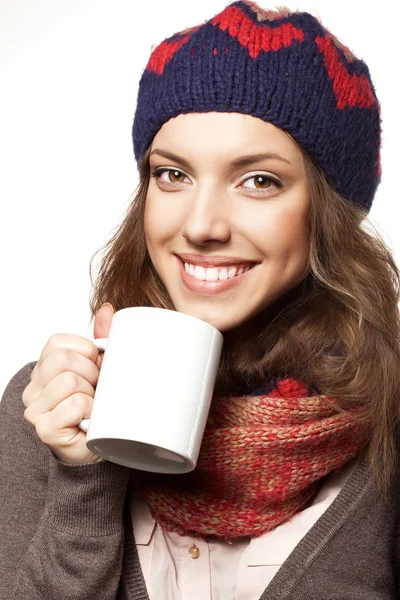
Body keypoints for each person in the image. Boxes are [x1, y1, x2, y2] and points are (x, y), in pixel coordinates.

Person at [1, 1, 400, 598]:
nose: (202, 224)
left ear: (329, 212)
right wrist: (83, 475)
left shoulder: (388, 419)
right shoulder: (53, 405)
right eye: (173, 174)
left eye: (258, 180)